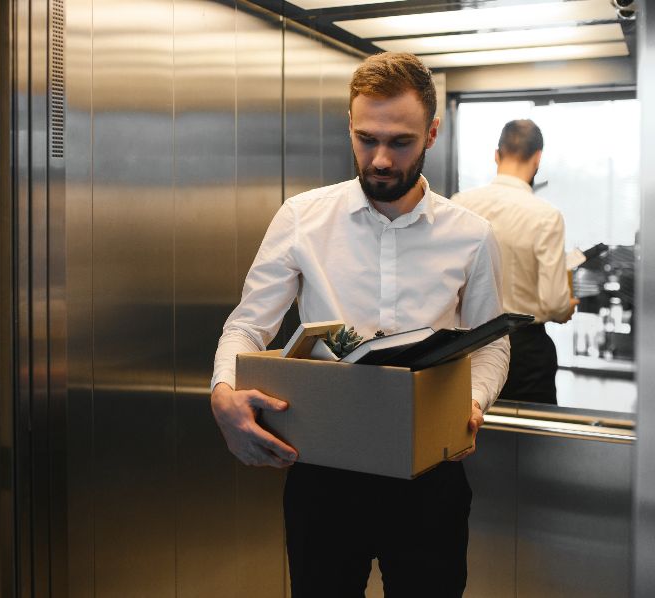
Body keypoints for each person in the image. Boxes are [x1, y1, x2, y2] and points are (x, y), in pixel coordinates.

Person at [210, 52, 509, 597]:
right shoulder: (302, 217)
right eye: (366, 138)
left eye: (400, 142)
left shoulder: (472, 234)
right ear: (350, 126)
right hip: (324, 471)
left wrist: (474, 403)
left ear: (432, 133)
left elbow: (491, 343)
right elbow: (249, 326)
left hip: (429, 476)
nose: (380, 160)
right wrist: (222, 392)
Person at [452, 119, 577, 405]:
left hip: (469, 345)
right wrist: (566, 307)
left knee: (471, 429)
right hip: (526, 350)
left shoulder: (460, 204)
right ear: (538, 158)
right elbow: (554, 302)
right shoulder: (546, 216)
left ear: (497, 155)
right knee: (529, 441)